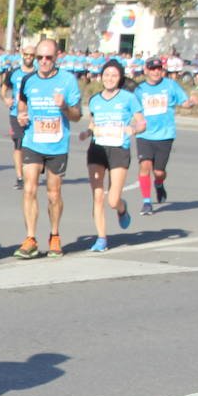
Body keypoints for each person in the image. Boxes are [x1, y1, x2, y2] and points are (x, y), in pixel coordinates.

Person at [13, 39, 83, 258]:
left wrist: (63, 106)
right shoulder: (28, 80)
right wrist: (21, 117)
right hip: (32, 142)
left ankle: (54, 235)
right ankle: (30, 238)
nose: (43, 62)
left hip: (57, 144)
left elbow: (77, 115)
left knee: (53, 194)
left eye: (48, 58)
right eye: (39, 57)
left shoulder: (67, 81)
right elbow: (22, 105)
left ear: (57, 57)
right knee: (29, 189)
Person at [79, 60, 144, 252]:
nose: (109, 79)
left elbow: (142, 123)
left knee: (113, 199)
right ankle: (101, 238)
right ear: (101, 77)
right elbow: (93, 123)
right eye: (106, 75)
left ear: (120, 78)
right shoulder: (95, 100)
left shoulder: (128, 98)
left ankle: (122, 208)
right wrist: (87, 132)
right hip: (97, 149)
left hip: (118, 149)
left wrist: (134, 128)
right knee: (97, 196)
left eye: (114, 75)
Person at [133, 56, 197, 215]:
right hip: (144, 134)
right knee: (144, 166)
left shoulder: (170, 85)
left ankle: (159, 184)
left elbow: (184, 102)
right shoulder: (139, 89)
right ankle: (147, 202)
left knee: (159, 172)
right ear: (146, 70)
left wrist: (192, 102)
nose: (156, 72)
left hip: (165, 134)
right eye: (153, 69)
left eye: (159, 69)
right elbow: (132, 109)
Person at [1, 46, 37, 190]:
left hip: (34, 115)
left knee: (33, 146)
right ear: (22, 54)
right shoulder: (14, 73)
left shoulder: (37, 73)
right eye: (26, 54)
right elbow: (3, 89)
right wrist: (5, 99)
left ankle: (32, 172)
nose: (29, 57)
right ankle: (20, 177)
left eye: (32, 55)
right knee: (18, 145)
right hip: (16, 113)